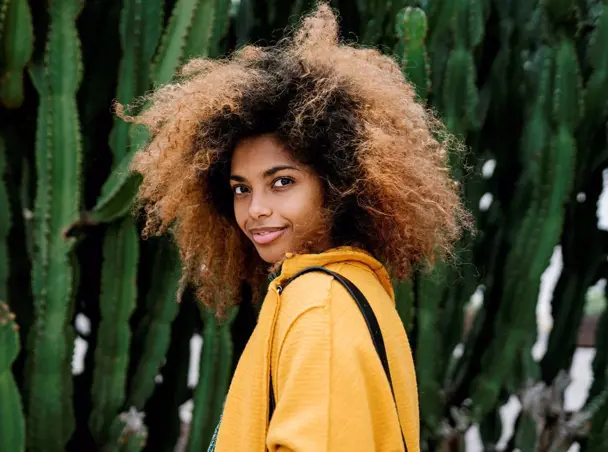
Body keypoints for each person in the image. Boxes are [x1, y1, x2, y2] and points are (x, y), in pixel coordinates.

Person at [119, 3, 472, 451]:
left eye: (282, 182)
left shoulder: (318, 304)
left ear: (340, 183)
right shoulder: (351, 285)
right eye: (241, 189)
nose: (256, 209)